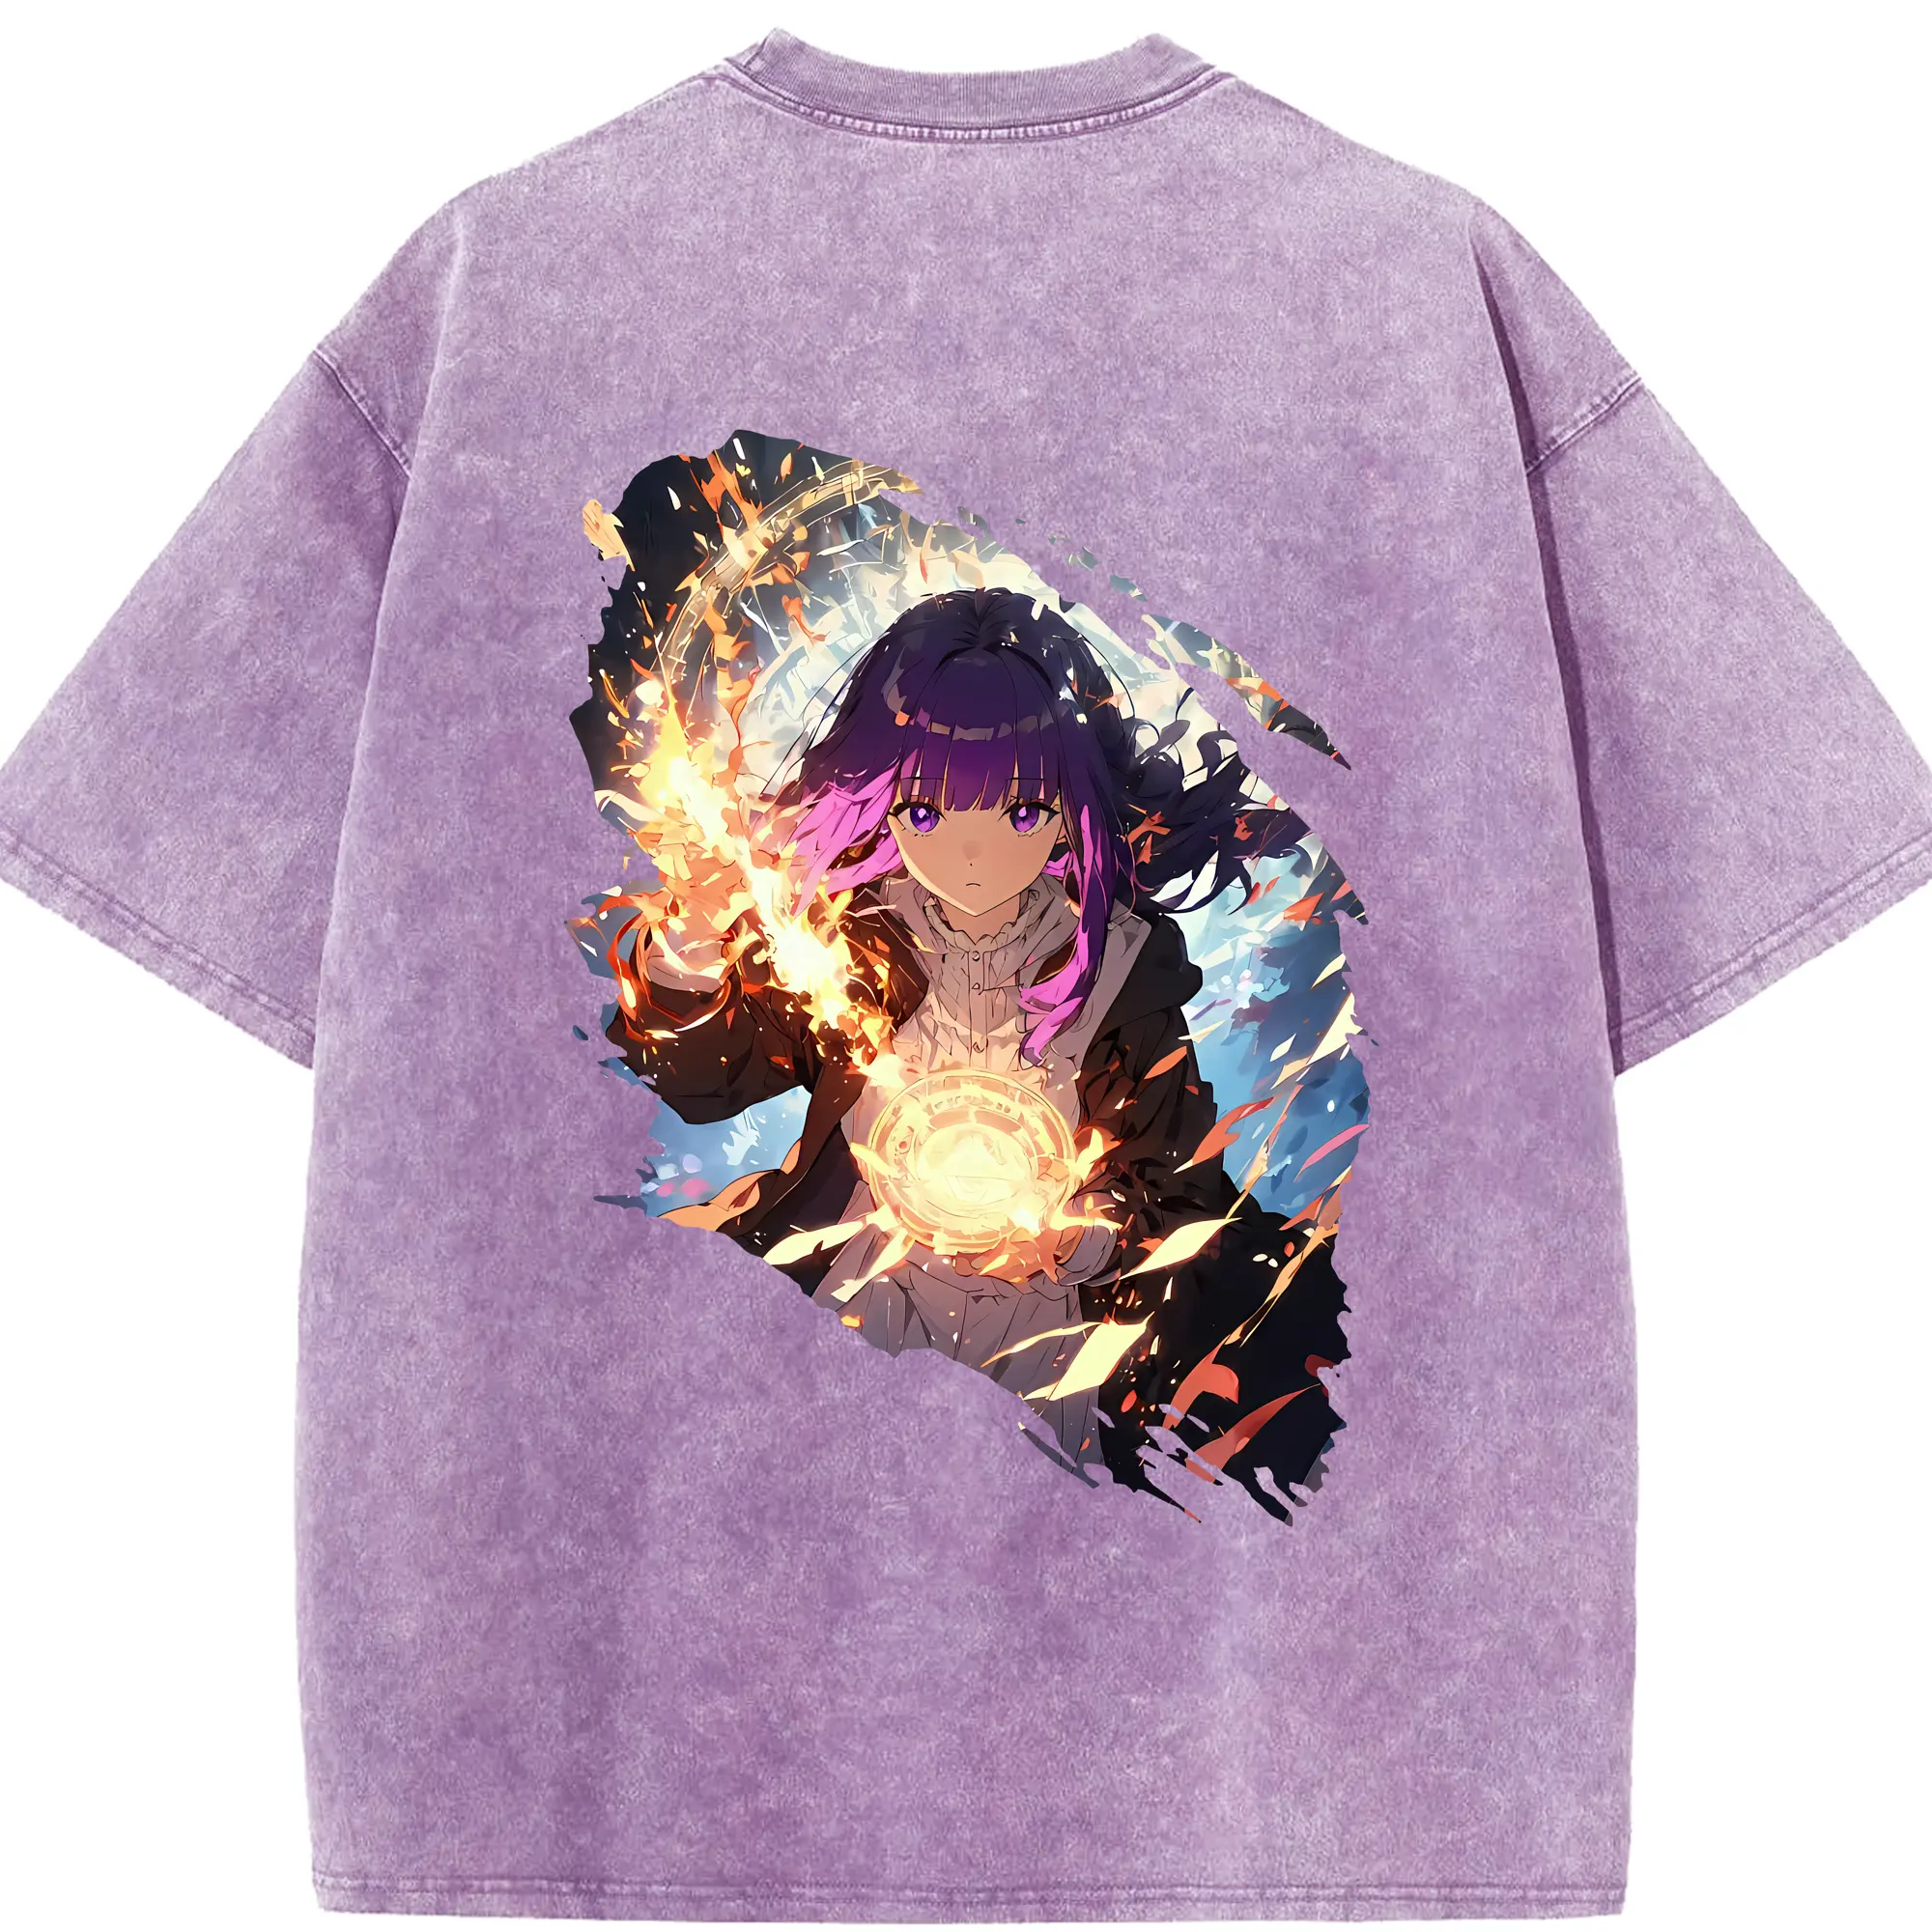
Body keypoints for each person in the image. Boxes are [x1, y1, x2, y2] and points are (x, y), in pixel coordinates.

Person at [594, 584, 1352, 1520]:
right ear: (879, 800)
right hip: (856, 1292)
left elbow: (1180, 1190)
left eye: (1021, 811)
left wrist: (1081, 1240)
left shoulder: (1117, 965)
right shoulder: (848, 941)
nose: (971, 855)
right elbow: (708, 1081)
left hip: (1043, 1333)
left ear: (1071, 805)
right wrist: (690, 949)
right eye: (925, 811)